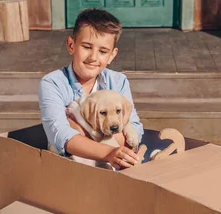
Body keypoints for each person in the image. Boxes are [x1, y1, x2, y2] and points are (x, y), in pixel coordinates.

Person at [38, 8, 144, 170]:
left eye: (103, 51)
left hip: (111, 165)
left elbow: (134, 130)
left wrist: (79, 130)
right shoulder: (52, 83)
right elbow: (61, 137)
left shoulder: (117, 81)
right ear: (71, 45)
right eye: (87, 47)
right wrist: (109, 151)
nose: (93, 57)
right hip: (69, 168)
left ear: (112, 55)